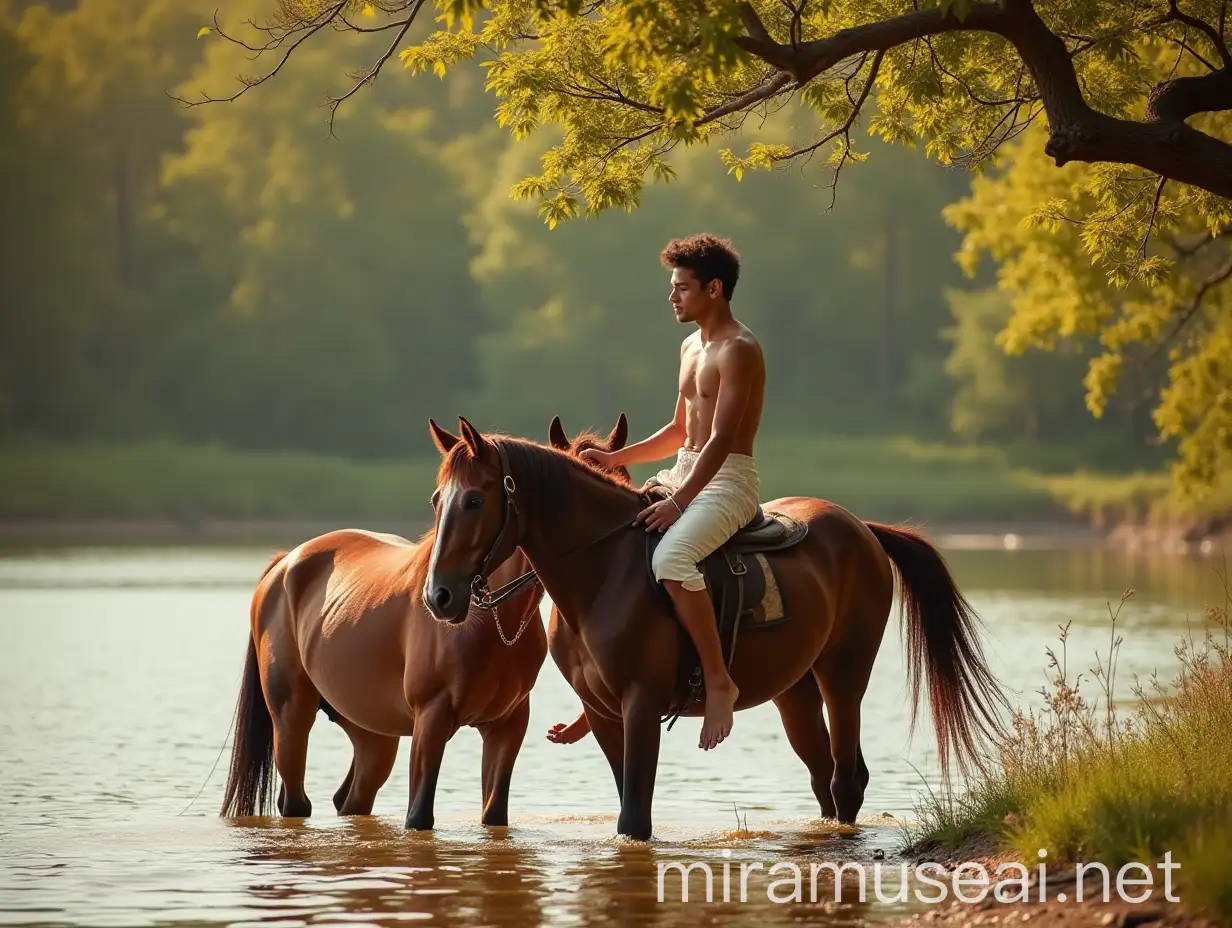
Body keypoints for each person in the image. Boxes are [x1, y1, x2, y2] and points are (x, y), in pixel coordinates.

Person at [547, 233, 765, 751]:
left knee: (671, 561)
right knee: (615, 549)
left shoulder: (740, 350)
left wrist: (678, 501)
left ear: (714, 289)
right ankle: (603, 693)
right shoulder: (691, 346)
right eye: (671, 287)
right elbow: (678, 432)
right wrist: (614, 460)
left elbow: (721, 440)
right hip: (683, 472)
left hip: (726, 480)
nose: (672, 297)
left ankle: (717, 680)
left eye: (682, 288)